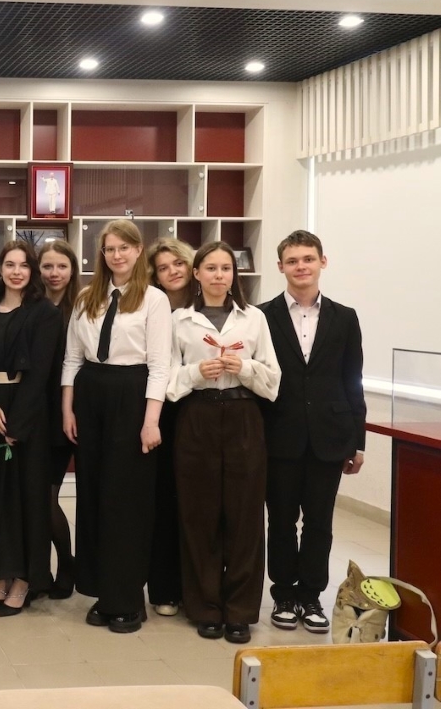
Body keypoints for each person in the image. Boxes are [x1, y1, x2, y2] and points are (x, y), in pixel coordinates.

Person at [168, 242, 281, 644]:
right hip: (197, 416)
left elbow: (273, 381)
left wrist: (244, 367)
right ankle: (205, 607)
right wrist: (196, 372)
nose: (219, 275)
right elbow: (166, 379)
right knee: (199, 515)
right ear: (196, 273)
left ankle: (240, 611)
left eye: (226, 268)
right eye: (211, 268)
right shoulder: (179, 320)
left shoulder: (254, 319)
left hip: (242, 416)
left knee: (245, 515)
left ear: (235, 274)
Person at [61, 219, 170, 634]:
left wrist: (151, 421)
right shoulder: (87, 297)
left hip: (132, 394)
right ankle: (102, 590)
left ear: (138, 251)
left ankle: (127, 599)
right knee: (93, 495)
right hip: (91, 394)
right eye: (110, 249)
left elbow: (160, 365)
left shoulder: (153, 300)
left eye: (124, 247)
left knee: (126, 500)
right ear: (101, 254)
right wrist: (68, 410)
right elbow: (72, 358)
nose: (117, 255)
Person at [261, 230, 366, 635]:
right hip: (279, 435)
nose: (300, 266)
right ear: (281, 267)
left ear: (323, 261)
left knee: (319, 523)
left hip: (330, 436)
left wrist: (358, 441)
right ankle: (284, 595)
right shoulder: (262, 315)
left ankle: (311, 596)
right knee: (281, 521)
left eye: (308, 258)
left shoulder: (345, 317)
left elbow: (352, 379)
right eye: (292, 260)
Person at [0, 241, 63, 616]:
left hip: (28, 416)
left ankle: (24, 578)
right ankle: (2, 575)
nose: (16, 271)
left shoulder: (45, 312)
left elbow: (40, 374)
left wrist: (17, 425)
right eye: (9, 264)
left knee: (27, 500)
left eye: (24, 265)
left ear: (32, 271)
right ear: (0, 269)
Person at [144, 237, 196, 618]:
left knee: (196, 503)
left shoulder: (207, 306)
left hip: (199, 413)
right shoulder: (149, 306)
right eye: (163, 267)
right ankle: (164, 588)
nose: (172, 271)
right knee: (162, 500)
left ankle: (196, 589)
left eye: (178, 263)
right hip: (160, 412)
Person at [38, 238, 79, 599]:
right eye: (47, 266)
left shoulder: (84, 306)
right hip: (38, 412)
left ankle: (68, 564)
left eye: (62, 266)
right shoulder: (32, 306)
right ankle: (49, 566)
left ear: (73, 270)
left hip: (75, 410)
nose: (54, 273)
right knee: (42, 496)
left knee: (50, 495)